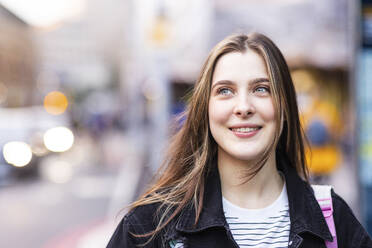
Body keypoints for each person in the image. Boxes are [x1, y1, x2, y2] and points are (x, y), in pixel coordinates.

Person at [107, 33, 372, 248]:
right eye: (225, 91)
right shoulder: (151, 227)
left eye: (261, 89)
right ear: (205, 110)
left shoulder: (334, 220)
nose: (243, 107)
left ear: (284, 108)